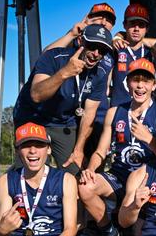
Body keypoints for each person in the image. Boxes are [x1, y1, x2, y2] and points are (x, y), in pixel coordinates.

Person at [78, 59, 156, 236]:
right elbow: (101, 150)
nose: (140, 86)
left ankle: (132, 233)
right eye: (135, 80)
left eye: (145, 81)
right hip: (118, 175)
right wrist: (91, 169)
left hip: (145, 181)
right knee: (85, 186)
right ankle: (110, 231)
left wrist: (150, 140)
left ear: (154, 85)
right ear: (128, 83)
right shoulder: (114, 112)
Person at [13, 24, 113, 174]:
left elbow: (89, 114)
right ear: (81, 41)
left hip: (63, 123)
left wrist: (78, 150)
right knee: (30, 172)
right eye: (92, 46)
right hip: (33, 118)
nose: (96, 53)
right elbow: (36, 94)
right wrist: (64, 73)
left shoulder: (101, 72)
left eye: (103, 50)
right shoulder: (53, 57)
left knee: (75, 171)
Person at [108, 4, 152, 107]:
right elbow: (105, 86)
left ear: (147, 28)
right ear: (124, 25)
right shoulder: (116, 49)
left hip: (145, 112)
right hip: (118, 111)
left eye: (141, 25)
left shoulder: (152, 52)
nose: (136, 29)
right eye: (132, 24)